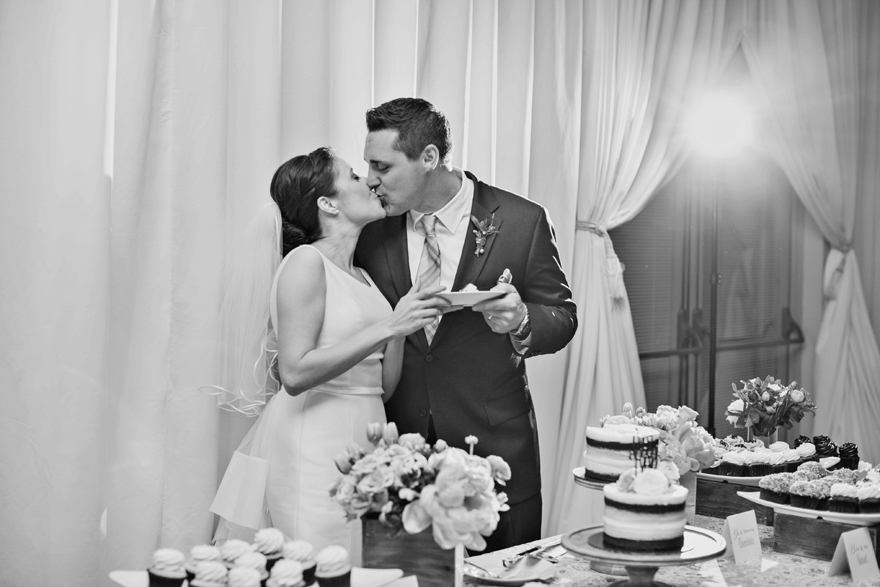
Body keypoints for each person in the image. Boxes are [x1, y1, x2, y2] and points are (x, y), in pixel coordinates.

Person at [356, 97, 578, 552]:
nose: (371, 180)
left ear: (430, 158)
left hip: (496, 447)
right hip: (402, 456)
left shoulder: (522, 220)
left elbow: (564, 315)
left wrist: (521, 320)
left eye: (382, 166)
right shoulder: (372, 228)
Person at [207, 147, 446, 563]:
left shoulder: (365, 278)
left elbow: (384, 387)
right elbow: (294, 374)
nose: (369, 181)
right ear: (327, 202)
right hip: (313, 439)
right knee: (317, 557)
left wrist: (406, 318)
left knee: (355, 561)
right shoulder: (305, 262)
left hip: (365, 435)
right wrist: (389, 326)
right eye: (354, 176)